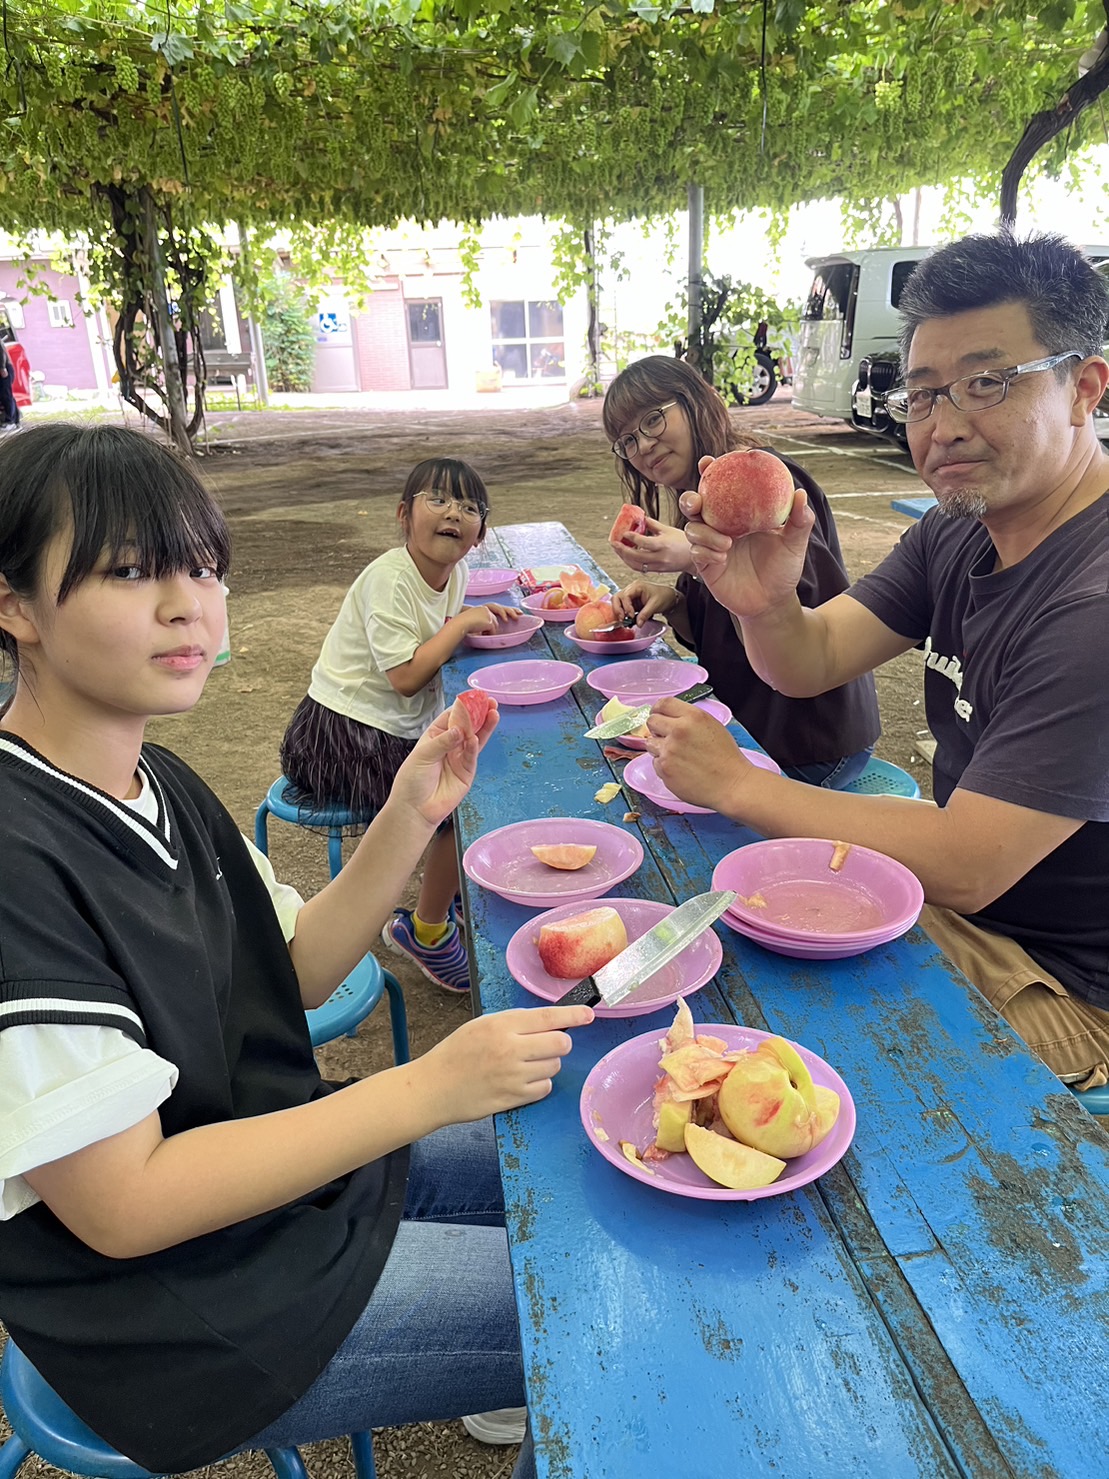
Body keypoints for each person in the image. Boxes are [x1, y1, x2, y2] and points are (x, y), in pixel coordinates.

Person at [0, 423, 592, 1476]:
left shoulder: (160, 780)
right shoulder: (16, 855)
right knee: (593, 1309)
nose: (190, 604)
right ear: (14, 606)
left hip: (273, 1194)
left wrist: (411, 813)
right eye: (133, 572)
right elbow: (125, 1206)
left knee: (568, 1164)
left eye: (202, 567)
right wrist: (426, 1087)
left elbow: (296, 969)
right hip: (180, 1312)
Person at [646, 230, 1109, 1090]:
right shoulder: (957, 531)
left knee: (767, 1064)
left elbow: (970, 863)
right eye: (923, 393)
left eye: (985, 383)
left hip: (1066, 983)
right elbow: (811, 658)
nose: (944, 425)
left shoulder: (1092, 604)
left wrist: (741, 785)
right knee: (708, 981)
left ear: (1083, 388)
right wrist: (766, 603)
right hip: (959, 908)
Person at [280, 456, 518, 994]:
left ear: (480, 534)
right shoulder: (389, 578)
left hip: (385, 729)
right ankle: (427, 932)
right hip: (338, 736)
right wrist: (460, 626)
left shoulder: (453, 575)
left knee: (482, 765)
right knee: (457, 800)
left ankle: (444, 891)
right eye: (438, 500)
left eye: (470, 507)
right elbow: (406, 677)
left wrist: (468, 625)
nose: (454, 513)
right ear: (404, 515)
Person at [602, 356, 880, 787]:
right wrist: (674, 602)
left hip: (809, 742)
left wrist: (692, 560)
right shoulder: (699, 498)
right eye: (627, 440)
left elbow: (808, 616)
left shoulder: (760, 478)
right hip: (748, 730)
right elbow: (722, 632)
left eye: (653, 420)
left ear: (695, 402)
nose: (644, 446)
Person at [0, 340, 21, 429]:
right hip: (3, 368)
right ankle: (16, 421)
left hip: (4, 368)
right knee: (6, 395)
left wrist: (2, 367)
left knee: (5, 395)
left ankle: (10, 421)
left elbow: (1, 351)